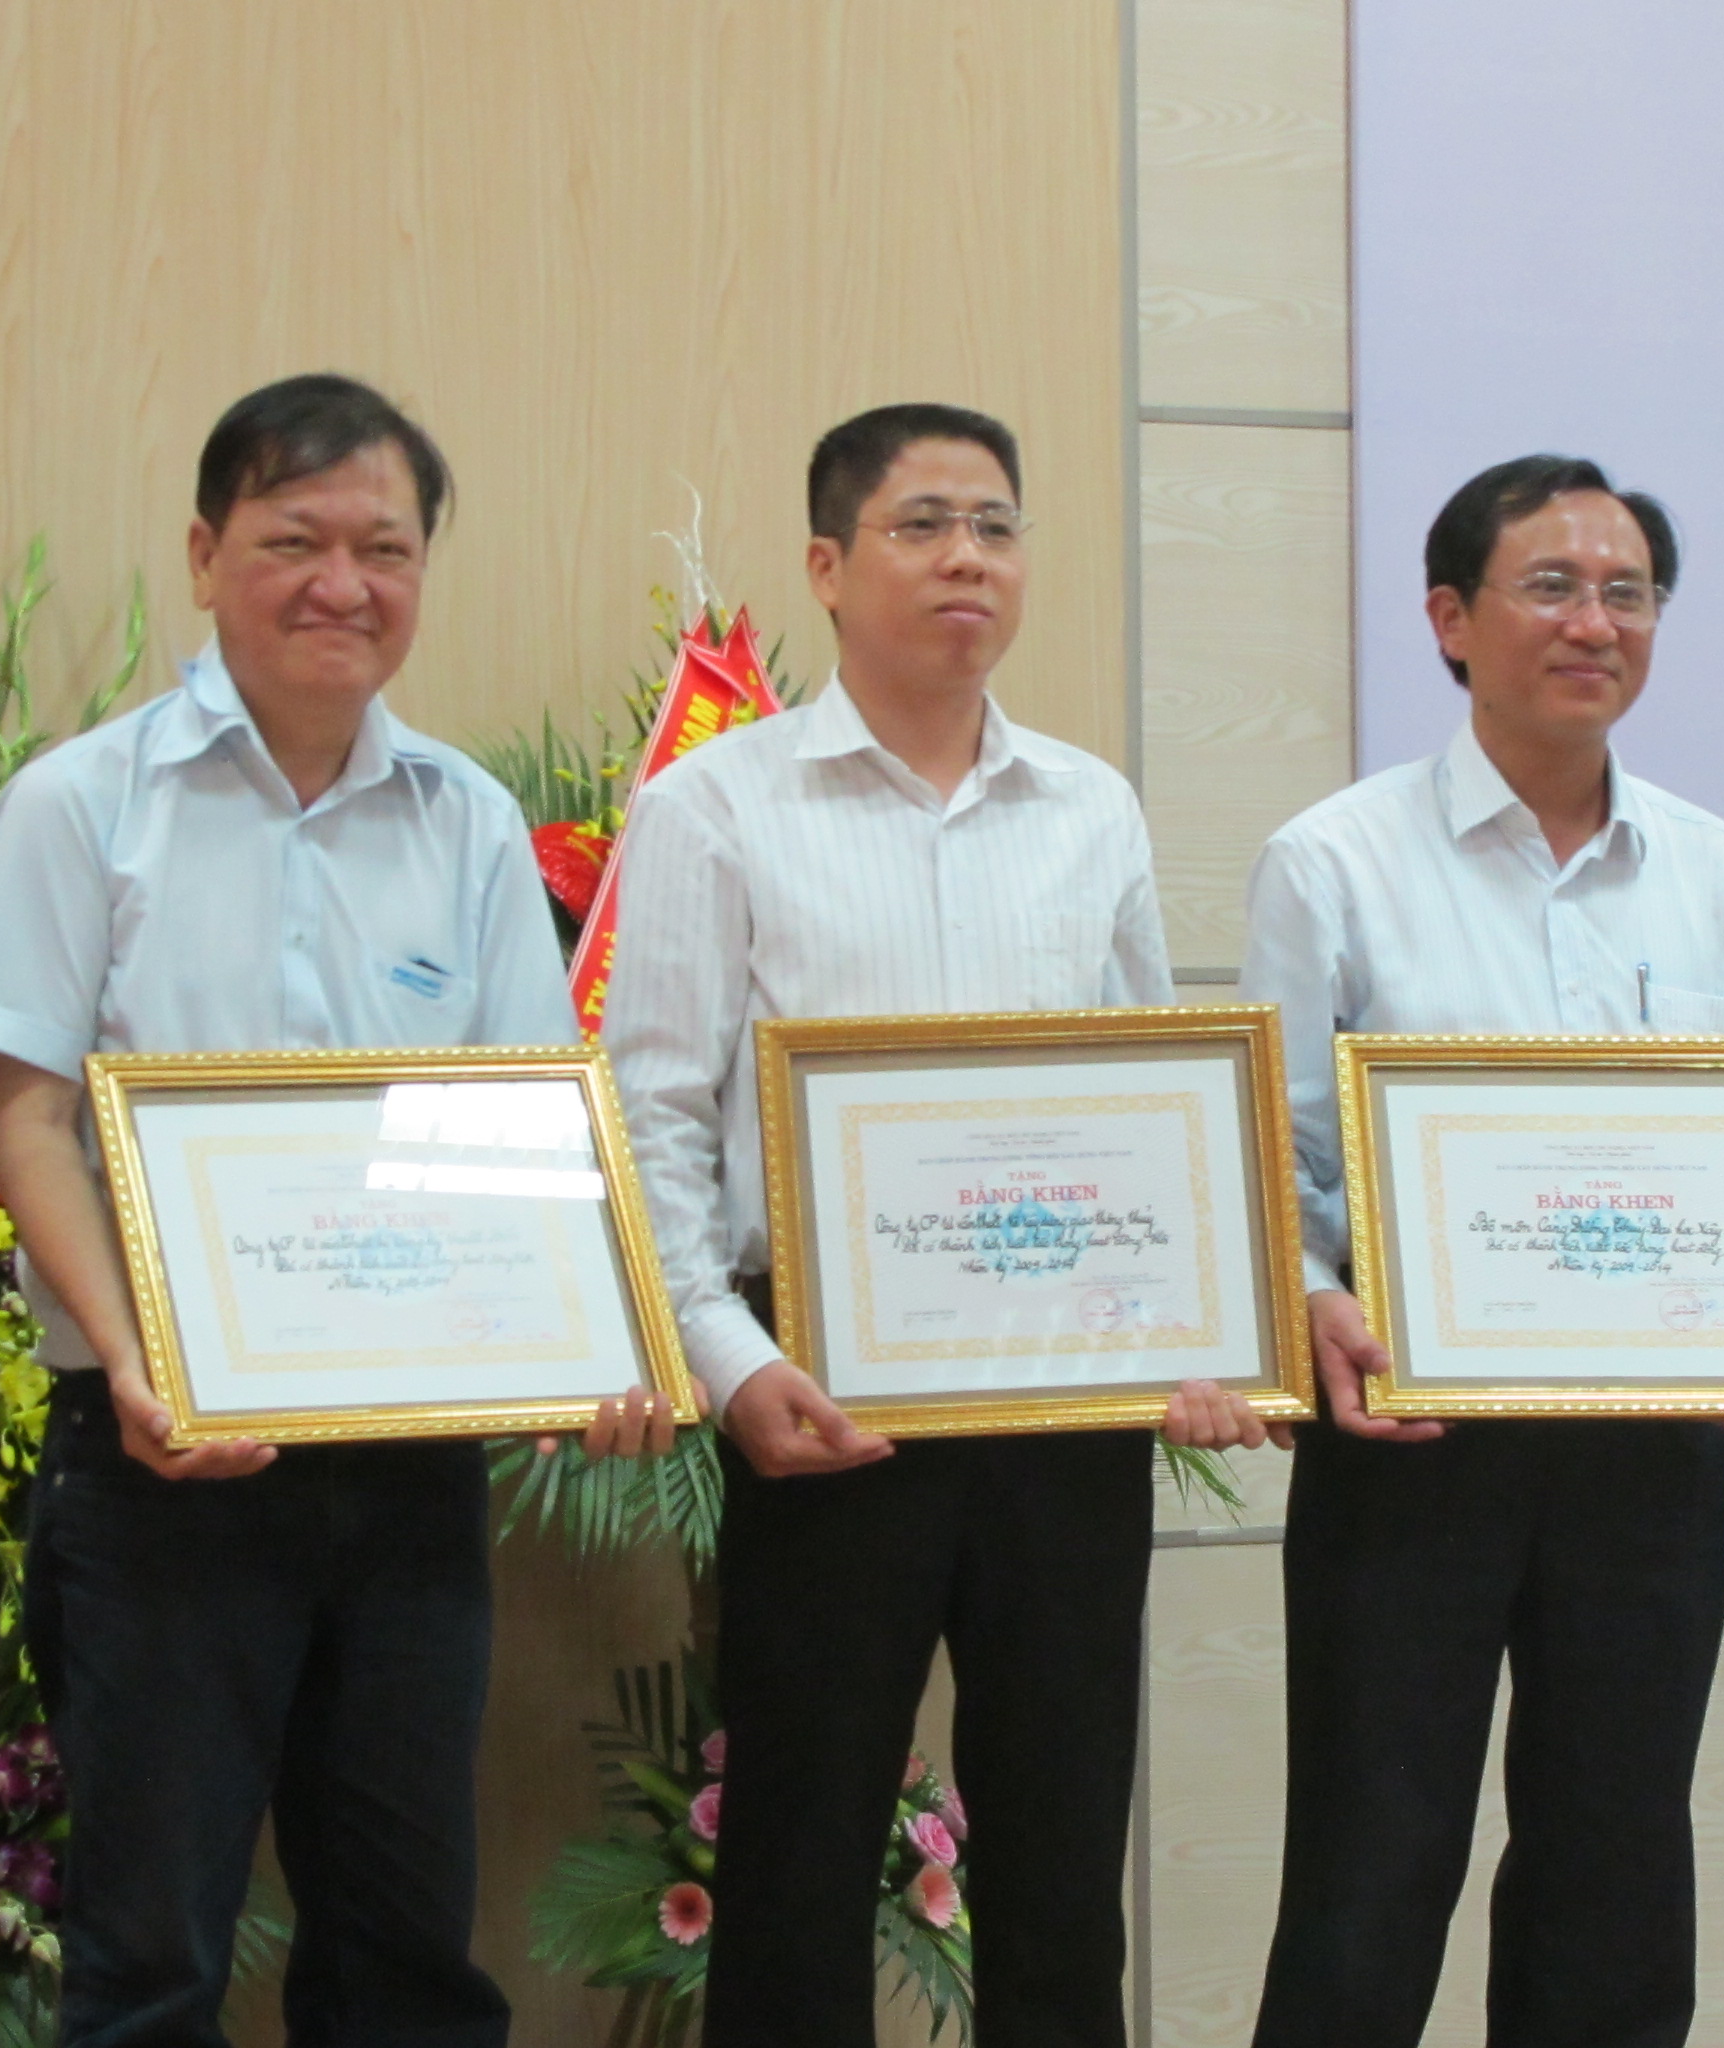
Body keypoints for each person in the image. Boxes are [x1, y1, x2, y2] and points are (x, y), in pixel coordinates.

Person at [0, 373, 670, 2048]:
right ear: (207, 555)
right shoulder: (82, 805)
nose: (343, 583)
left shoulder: (467, 821)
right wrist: (138, 1362)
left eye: (384, 548)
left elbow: (527, 1125)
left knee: (405, 1952)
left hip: (410, 1475)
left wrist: (589, 1343)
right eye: (294, 540)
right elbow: (27, 1114)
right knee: (149, 1957)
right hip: (157, 1465)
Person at [599, 402, 1266, 2046]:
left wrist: (1197, 1339)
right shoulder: (716, 807)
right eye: (921, 524)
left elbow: (1149, 1108)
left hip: (1064, 1407)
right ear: (827, 567)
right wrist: (731, 1365)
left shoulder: (1091, 808)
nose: (967, 556)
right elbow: (653, 1115)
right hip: (825, 1402)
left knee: (1060, 1847)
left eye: (995, 524)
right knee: (799, 1847)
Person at [1238, 455, 1724, 2048]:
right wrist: (1313, 1302)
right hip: (1414, 1441)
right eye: (1553, 587)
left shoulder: (1718, 874)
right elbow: (1275, 1163)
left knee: (1616, 1861)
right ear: (1450, 619)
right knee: (1372, 1864)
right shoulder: (1334, 860)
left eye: (1628, 593)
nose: (1596, 623)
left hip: (1654, 1453)